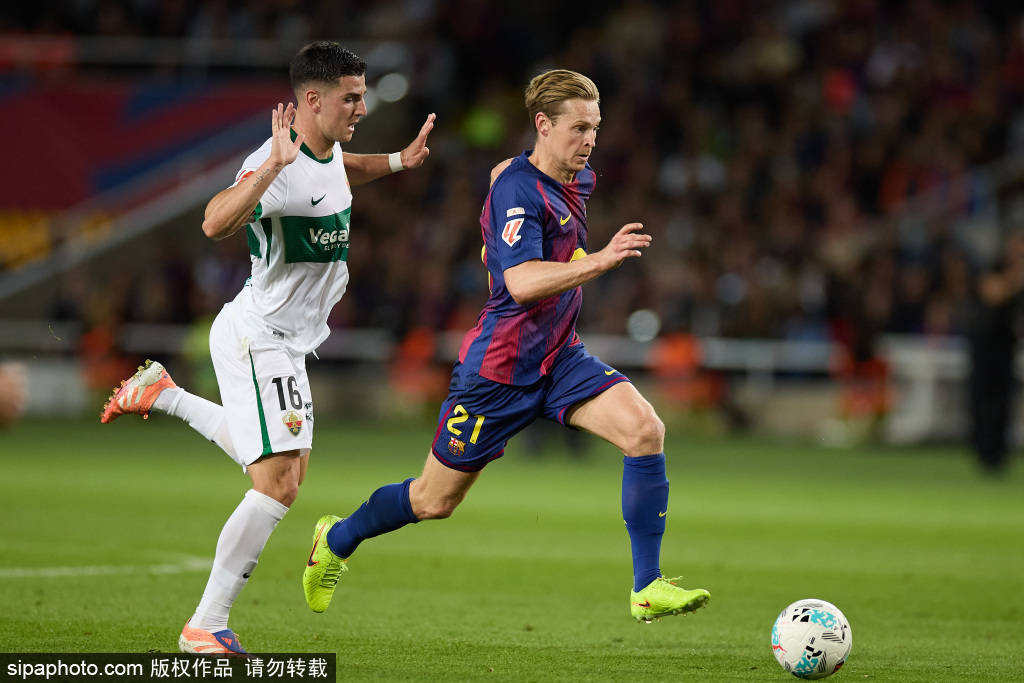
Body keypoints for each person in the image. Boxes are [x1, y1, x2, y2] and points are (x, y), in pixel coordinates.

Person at [303, 69, 710, 623]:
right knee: (433, 500)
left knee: (644, 430)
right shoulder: (518, 190)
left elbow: (506, 179)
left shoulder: (573, 178)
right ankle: (336, 539)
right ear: (543, 124)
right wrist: (599, 261)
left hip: (559, 358)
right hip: (497, 371)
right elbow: (520, 283)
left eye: (595, 127)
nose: (590, 140)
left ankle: (647, 586)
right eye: (579, 128)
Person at [100, 41, 435, 654]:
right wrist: (272, 168)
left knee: (288, 472)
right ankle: (206, 624)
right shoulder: (273, 162)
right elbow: (213, 221)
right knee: (277, 484)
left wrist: (397, 161)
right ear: (312, 99)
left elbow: (341, 171)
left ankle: (164, 395)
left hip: (290, 340)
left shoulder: (326, 151)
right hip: (259, 337)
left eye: (361, 96)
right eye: (351, 98)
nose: (362, 108)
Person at [968, 232, 1024, 475]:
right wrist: (1016, 277)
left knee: (1003, 401)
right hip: (985, 345)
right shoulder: (994, 266)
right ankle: (984, 451)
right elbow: (993, 294)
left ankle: (999, 453)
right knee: (983, 399)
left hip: (1006, 346)